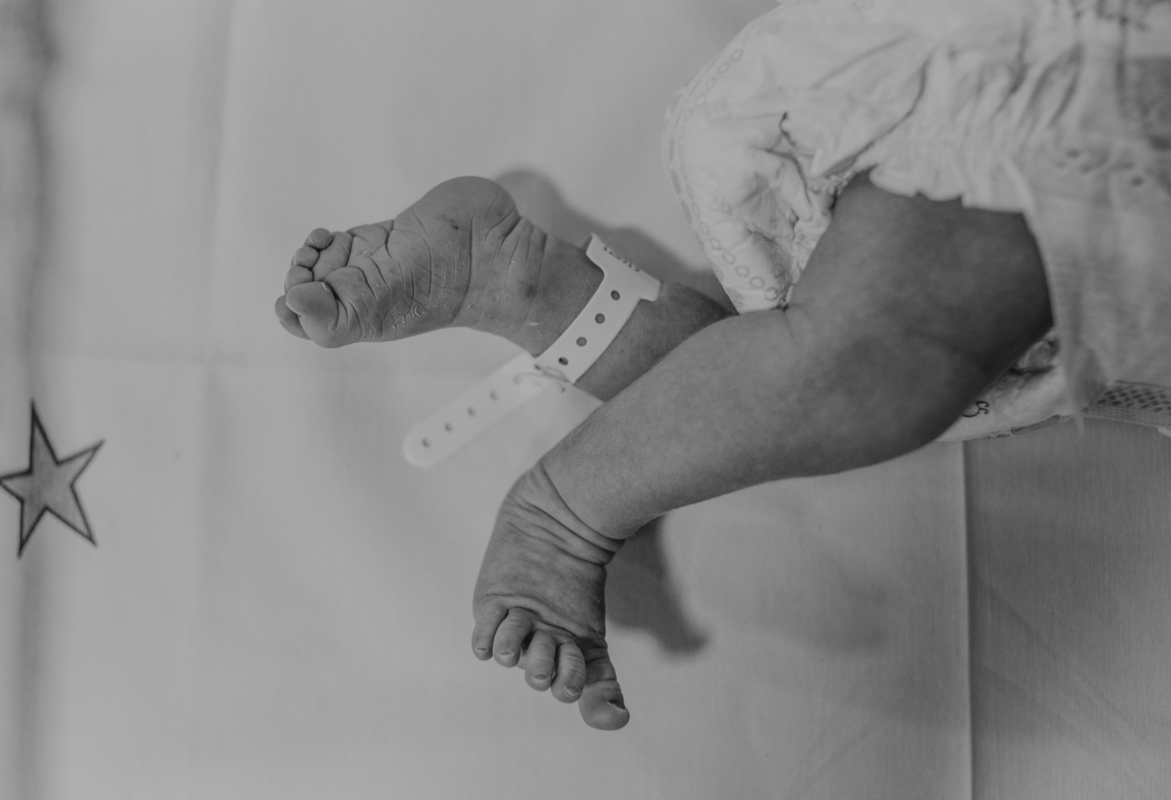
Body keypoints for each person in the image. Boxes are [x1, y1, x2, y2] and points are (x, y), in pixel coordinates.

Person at [273, 0, 1171, 730]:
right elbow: (852, 369)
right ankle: (564, 503)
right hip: (1080, 96)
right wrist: (569, 515)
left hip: (1057, 232)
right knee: (856, 369)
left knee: (793, 374)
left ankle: (539, 292)